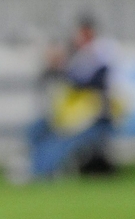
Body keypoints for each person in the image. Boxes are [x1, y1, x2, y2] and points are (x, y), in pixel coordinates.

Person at [26, 16, 117, 178]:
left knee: (58, 144)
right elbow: (49, 77)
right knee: (35, 130)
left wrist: (66, 72)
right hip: (69, 116)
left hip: (93, 116)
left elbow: (93, 81)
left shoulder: (101, 52)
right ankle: (32, 167)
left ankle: (41, 173)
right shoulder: (75, 55)